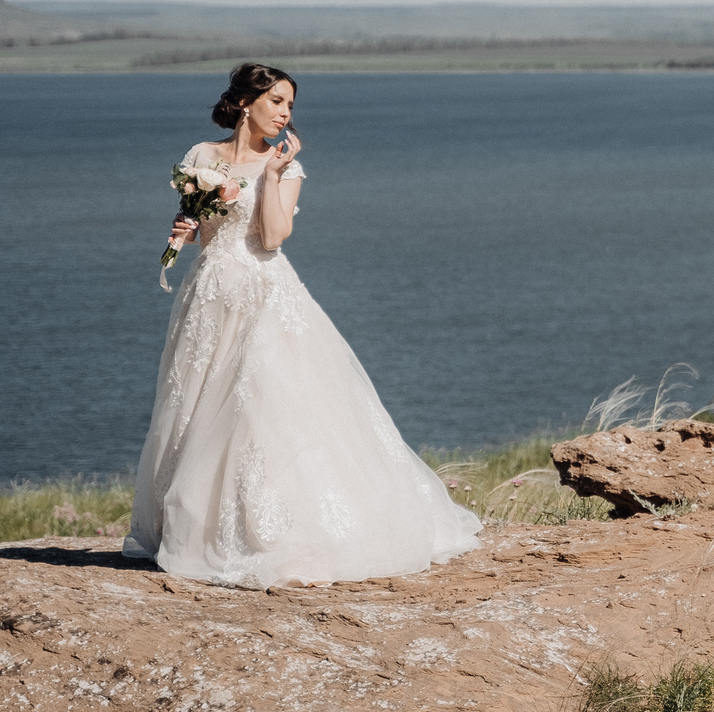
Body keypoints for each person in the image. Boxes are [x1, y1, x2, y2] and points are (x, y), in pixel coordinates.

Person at [123, 63, 481, 586]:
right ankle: (193, 528)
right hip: (210, 294)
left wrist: (270, 176)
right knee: (195, 400)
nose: (286, 113)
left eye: (290, 105)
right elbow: (206, 233)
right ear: (246, 103)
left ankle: (261, 530)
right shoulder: (201, 157)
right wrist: (189, 226)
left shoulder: (285, 167)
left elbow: (270, 238)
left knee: (259, 400)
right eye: (277, 102)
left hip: (265, 295)